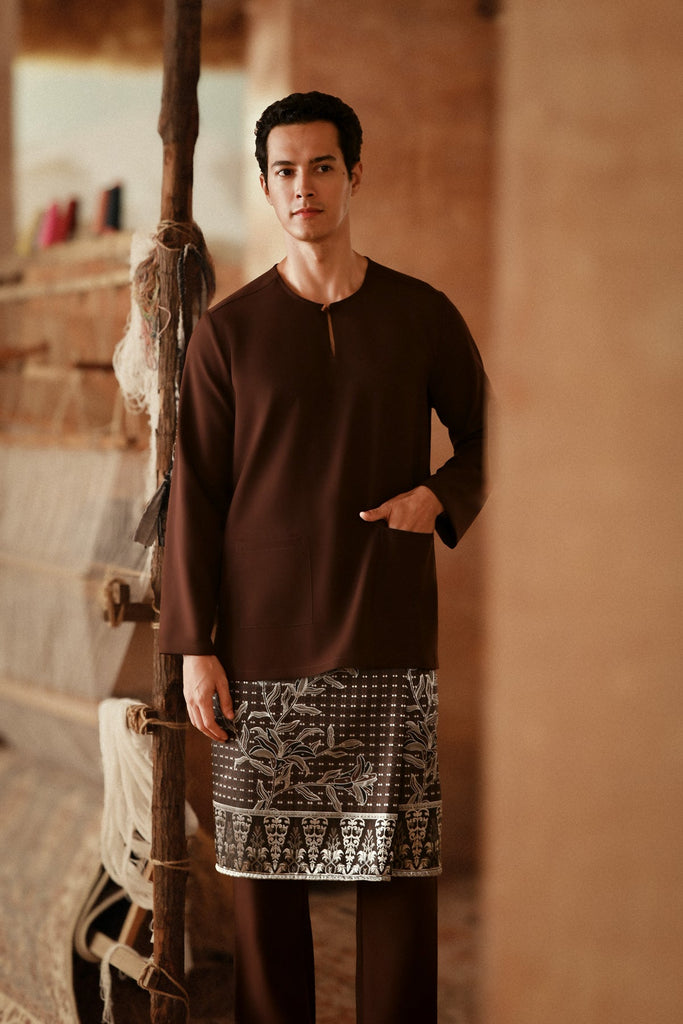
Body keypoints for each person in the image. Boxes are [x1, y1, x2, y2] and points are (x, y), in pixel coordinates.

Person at [158, 91, 487, 1024]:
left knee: (398, 877)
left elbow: (489, 434)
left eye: (322, 166)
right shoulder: (227, 335)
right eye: (285, 171)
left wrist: (441, 497)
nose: (304, 186)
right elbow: (196, 496)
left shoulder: (420, 314)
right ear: (266, 188)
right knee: (265, 892)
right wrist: (194, 645)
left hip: (387, 634)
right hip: (259, 653)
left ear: (354, 174)